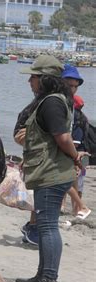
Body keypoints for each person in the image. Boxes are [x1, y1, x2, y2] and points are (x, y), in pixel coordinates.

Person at [15, 55, 87, 282]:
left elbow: (63, 138)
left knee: (47, 227)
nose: (30, 82)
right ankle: (42, 276)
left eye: (33, 77)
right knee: (45, 225)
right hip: (50, 171)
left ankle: (49, 281)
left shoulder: (51, 103)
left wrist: (76, 156)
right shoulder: (52, 101)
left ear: (45, 79)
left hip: (53, 173)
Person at [61, 65, 91, 219]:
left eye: (75, 86)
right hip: (76, 154)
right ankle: (73, 207)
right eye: (69, 85)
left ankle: (79, 208)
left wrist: (75, 157)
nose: (72, 89)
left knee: (73, 183)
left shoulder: (77, 116)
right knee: (73, 183)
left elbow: (75, 140)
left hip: (77, 154)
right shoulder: (62, 105)